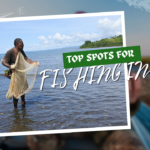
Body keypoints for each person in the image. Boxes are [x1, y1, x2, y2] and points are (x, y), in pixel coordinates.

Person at [2, 38, 38, 109]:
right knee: (16, 91)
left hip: (21, 74)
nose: (23, 44)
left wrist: (34, 62)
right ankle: (15, 108)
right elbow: (3, 62)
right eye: (22, 43)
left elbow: (26, 59)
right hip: (15, 74)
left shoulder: (21, 51)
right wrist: (10, 66)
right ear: (17, 44)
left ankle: (23, 103)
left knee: (22, 90)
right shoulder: (10, 52)